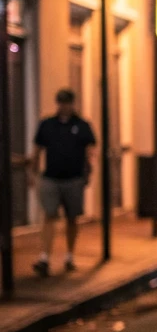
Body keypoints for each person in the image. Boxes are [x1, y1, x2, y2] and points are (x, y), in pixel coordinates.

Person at [29, 89, 97, 276]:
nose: (64, 106)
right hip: (51, 177)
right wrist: (33, 172)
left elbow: (90, 150)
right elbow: (37, 149)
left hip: (73, 178)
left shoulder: (82, 126)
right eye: (61, 102)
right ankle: (44, 257)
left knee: (72, 218)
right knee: (49, 215)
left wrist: (88, 171)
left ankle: (69, 255)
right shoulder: (47, 124)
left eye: (67, 102)